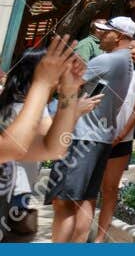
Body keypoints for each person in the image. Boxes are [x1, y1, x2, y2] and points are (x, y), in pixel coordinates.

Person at [2, 39, 98, 244]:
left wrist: (69, 94)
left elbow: (52, 148)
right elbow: (14, 147)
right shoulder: (22, 108)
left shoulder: (22, 106)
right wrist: (43, 84)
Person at [48, 16, 135, 243]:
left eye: (107, 32)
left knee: (64, 202)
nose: (101, 35)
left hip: (80, 135)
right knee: (86, 198)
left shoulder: (107, 60)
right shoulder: (125, 61)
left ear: (121, 37)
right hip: (99, 137)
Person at [97, 38, 135, 241]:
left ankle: (100, 236)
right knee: (91, 187)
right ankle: (84, 229)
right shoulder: (106, 71)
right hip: (97, 137)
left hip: (122, 140)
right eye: (131, 47)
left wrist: (121, 135)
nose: (134, 51)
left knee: (110, 188)